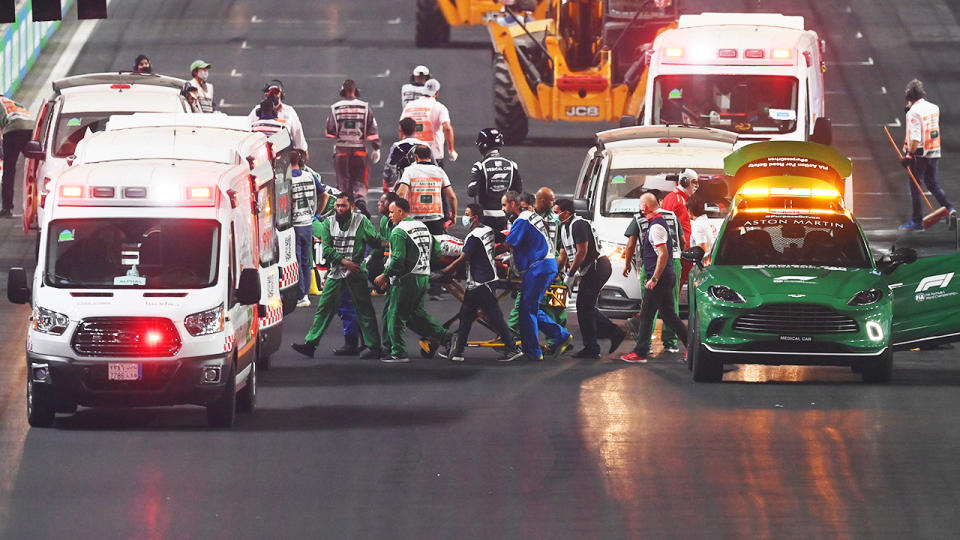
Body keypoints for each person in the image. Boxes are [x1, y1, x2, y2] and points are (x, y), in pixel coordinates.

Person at [292, 195, 384, 360]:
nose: (340, 209)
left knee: (364, 310)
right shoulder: (329, 223)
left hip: (356, 273)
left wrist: (374, 254)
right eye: (337, 206)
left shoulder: (361, 221)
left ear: (352, 206)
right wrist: (344, 262)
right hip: (337, 272)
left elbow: (375, 241)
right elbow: (326, 249)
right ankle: (311, 344)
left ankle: (374, 346)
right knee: (324, 308)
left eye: (343, 206)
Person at [439, 204, 524, 363]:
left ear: (475, 217)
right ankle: (458, 351)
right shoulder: (488, 230)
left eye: (466, 214)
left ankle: (513, 347)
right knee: (466, 315)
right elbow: (506, 241)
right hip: (482, 281)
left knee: (494, 317)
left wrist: (445, 272)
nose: (463, 217)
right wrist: (493, 254)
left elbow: (462, 258)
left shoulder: (473, 237)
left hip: (481, 282)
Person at [374, 198, 451, 362]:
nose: (389, 215)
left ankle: (399, 352)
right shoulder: (422, 226)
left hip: (406, 279)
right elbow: (436, 251)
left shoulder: (399, 231)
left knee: (395, 315)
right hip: (423, 276)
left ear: (401, 212)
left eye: (391, 212)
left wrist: (385, 275)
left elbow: (397, 259)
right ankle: (446, 337)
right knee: (416, 314)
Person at [502, 191, 573, 361]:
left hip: (539, 267)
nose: (503, 209)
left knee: (527, 310)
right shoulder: (535, 218)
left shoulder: (523, 219)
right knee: (530, 308)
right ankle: (560, 335)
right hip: (547, 265)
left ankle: (533, 351)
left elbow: (508, 243)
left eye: (505, 205)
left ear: (514, 204)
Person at [619, 193, 688, 363]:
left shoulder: (655, 226)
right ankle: (690, 347)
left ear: (644, 208)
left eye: (640, 206)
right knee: (669, 314)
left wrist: (654, 278)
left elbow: (662, 254)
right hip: (671, 269)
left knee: (647, 314)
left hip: (659, 275)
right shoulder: (670, 217)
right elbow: (683, 242)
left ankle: (641, 351)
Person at [555, 198, 626, 358]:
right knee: (585, 307)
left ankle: (597, 343)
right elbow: (564, 254)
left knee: (584, 306)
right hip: (589, 269)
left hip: (598, 267)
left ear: (566, 212)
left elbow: (582, 252)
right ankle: (604, 337)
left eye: (557, 212)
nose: (555, 216)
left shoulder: (578, 224)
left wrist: (571, 274)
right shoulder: (565, 228)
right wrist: (555, 273)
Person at [899, 78, 957, 231]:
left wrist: (909, 155)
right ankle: (949, 209)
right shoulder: (933, 107)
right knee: (932, 183)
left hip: (919, 155)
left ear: (909, 97)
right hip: (934, 151)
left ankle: (917, 222)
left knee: (915, 186)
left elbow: (916, 137)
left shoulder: (913, 113)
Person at [325, 79, 380, 217]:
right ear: (356, 91)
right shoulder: (365, 107)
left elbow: (330, 131)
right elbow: (372, 131)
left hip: (341, 151)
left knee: (343, 181)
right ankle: (360, 200)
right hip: (360, 150)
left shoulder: (335, 107)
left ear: (342, 92)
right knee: (360, 180)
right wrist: (376, 148)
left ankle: (345, 206)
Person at [467, 128, 523, 236]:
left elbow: (471, 192)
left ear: (482, 145)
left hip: (485, 217)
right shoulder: (511, 165)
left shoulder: (480, 166)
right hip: (504, 217)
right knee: (502, 247)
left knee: (484, 248)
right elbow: (518, 190)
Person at [395, 144, 458, 235]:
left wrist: (400, 215)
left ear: (416, 157)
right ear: (430, 156)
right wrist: (454, 216)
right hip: (435, 220)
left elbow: (401, 193)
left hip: (414, 220)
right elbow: (452, 197)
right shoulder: (439, 171)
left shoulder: (409, 171)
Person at [289, 150, 324, 307]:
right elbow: (325, 194)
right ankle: (305, 295)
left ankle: (301, 293)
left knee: (296, 260)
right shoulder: (309, 176)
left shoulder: (287, 180)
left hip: (294, 224)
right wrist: (317, 213)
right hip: (308, 222)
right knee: (305, 259)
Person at [400, 78, 457, 168]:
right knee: (436, 181)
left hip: (413, 155)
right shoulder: (440, 107)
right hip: (434, 155)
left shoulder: (410, 106)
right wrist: (451, 150)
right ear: (437, 93)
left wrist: (403, 147)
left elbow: (401, 128)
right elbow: (447, 128)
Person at [247, 80, 309, 156]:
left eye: (276, 93)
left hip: (283, 153)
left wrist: (303, 150)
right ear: (266, 95)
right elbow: (247, 129)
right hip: (260, 152)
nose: (273, 96)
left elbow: (297, 133)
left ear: (281, 95)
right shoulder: (257, 110)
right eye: (271, 93)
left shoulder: (289, 112)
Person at [0, 94, 34, 218]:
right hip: (31, 129)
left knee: (9, 170)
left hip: (14, 130)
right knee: (34, 169)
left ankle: (7, 208)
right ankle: (39, 203)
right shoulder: (12, 103)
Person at [367, 191, 400, 294]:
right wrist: (369, 257)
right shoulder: (384, 220)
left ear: (391, 205)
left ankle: (391, 285)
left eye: (382, 202)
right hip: (387, 254)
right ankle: (383, 288)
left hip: (398, 256)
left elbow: (394, 245)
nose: (378, 204)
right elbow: (383, 243)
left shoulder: (399, 221)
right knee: (370, 263)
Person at [382, 117, 426, 192]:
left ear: (401, 130)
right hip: (423, 183)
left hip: (404, 184)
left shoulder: (397, 146)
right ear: (415, 130)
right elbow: (434, 165)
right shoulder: (425, 145)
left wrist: (387, 180)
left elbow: (390, 166)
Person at [687, 194, 718, 261]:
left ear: (689, 211)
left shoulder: (697, 226)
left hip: (703, 266)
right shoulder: (708, 221)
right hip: (713, 260)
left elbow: (701, 251)